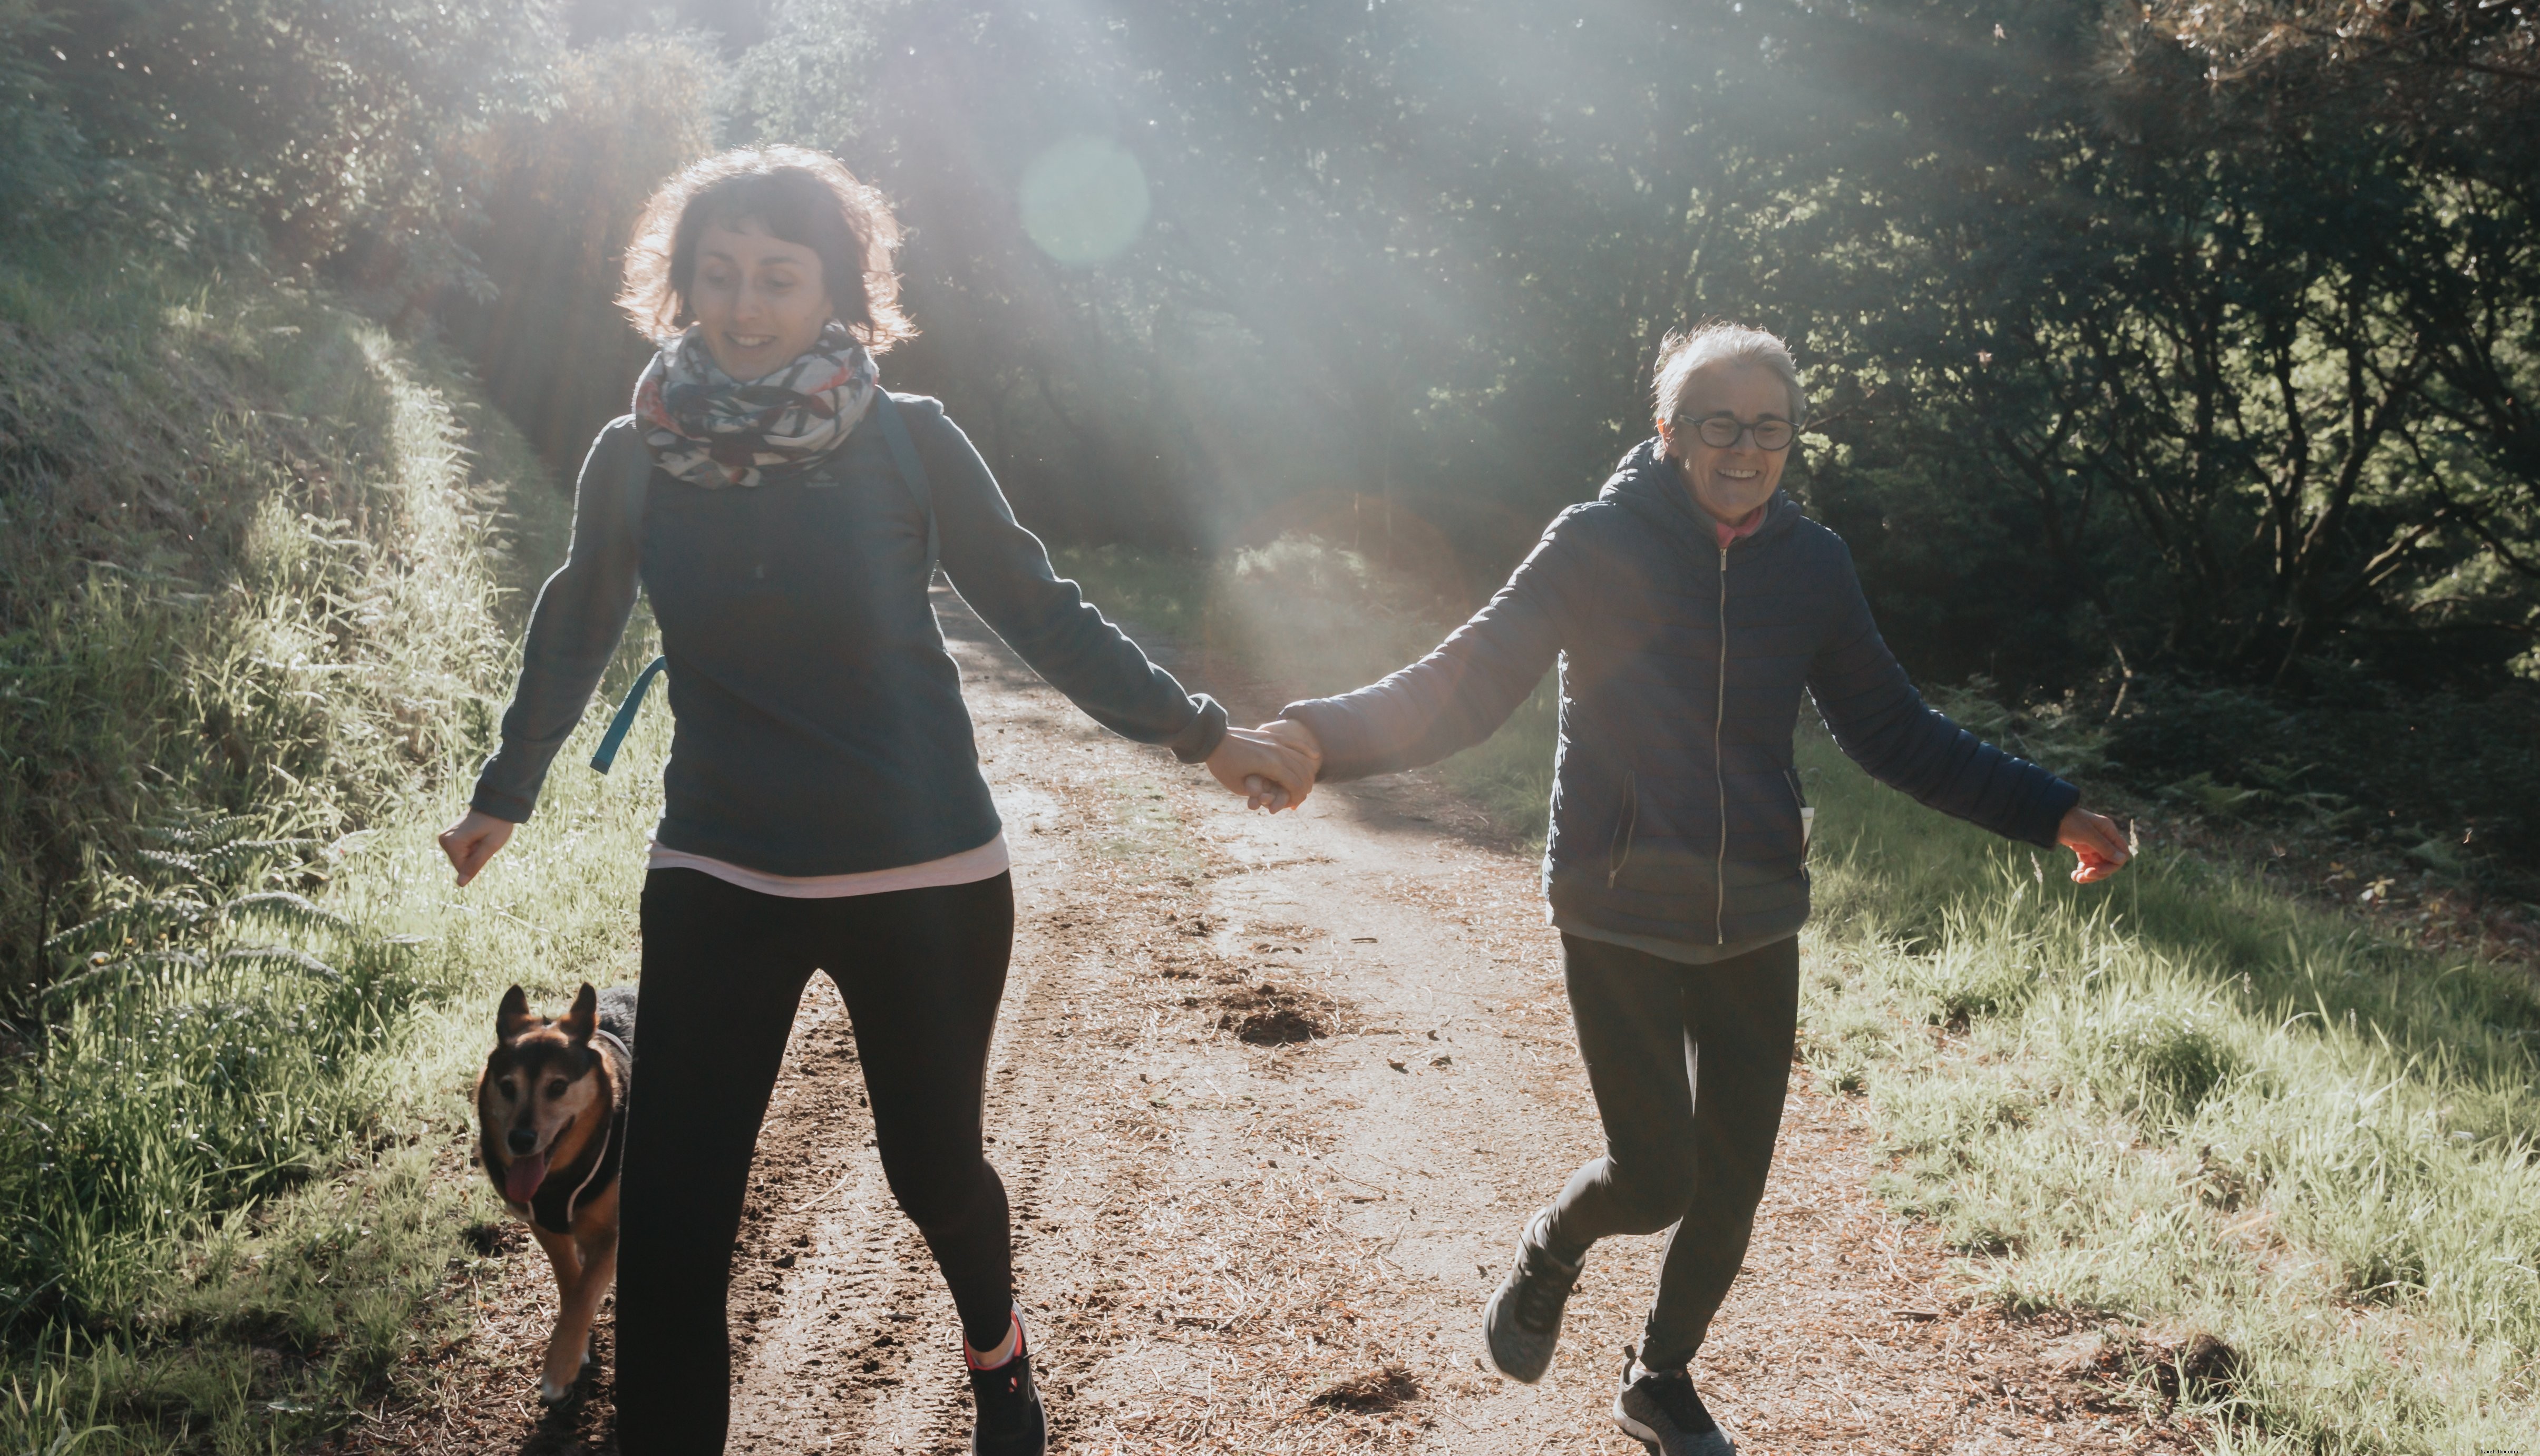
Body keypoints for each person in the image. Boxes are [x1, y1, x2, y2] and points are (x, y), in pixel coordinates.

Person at [437, 145, 1311, 1456]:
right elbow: (576, 620)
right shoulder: (635, 453)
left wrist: (1204, 735)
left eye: (778, 278)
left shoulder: (909, 438)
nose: (743, 305)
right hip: (718, 869)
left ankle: (996, 1350)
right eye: (718, 275)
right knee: (674, 1216)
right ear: (678, 286)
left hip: (923, 874)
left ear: (837, 288)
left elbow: (1041, 612)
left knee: (931, 1170)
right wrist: (508, 786)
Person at [1250, 323, 2128, 1456]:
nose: (1743, 446)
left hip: (1756, 905)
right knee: (1656, 1172)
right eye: (1717, 421)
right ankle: (1553, 1245)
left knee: (1732, 1182)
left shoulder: (1812, 563)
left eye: (1769, 427)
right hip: (1616, 903)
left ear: (1790, 440)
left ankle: (1657, 1378)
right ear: (1667, 432)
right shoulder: (1595, 543)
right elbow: (1464, 684)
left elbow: (1892, 728)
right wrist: (1320, 735)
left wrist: (2047, 808)